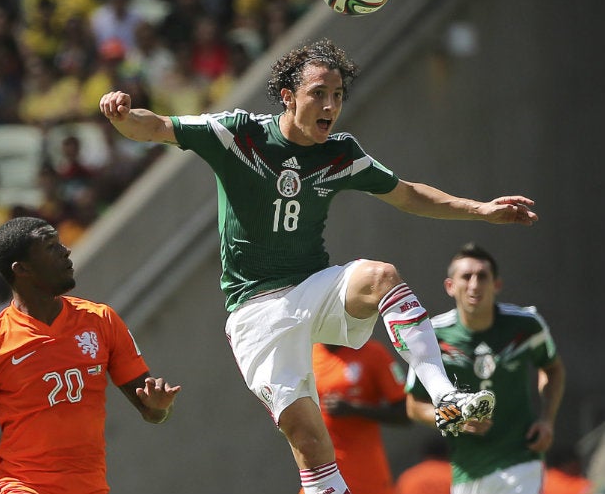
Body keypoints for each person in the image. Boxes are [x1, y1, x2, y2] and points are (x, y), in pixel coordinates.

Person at [99, 38, 537, 494]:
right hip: (255, 311)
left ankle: (443, 394)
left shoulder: (341, 153)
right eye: (318, 94)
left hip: (313, 288)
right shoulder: (237, 134)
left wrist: (481, 209)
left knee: (381, 276)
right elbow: (158, 128)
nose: (330, 106)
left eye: (338, 96)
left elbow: (406, 193)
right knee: (310, 444)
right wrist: (124, 117)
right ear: (287, 96)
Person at [0, 217, 180, 494]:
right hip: (21, 486)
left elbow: (153, 412)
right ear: (23, 269)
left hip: (91, 486)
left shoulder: (101, 321)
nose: (66, 251)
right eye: (51, 246)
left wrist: (160, 406)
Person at [405, 243, 565, 494]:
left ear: (496, 284)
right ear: (450, 286)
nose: (474, 284)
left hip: (522, 458)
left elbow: (552, 369)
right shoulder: (432, 336)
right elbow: (414, 406)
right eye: (466, 276)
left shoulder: (526, 325)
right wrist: (454, 418)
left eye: (482, 276)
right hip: (468, 468)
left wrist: (547, 419)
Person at [302, 340, 410, 494]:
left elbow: (406, 413)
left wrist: (354, 409)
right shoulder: (303, 356)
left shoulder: (373, 353)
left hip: (366, 475)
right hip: (321, 475)